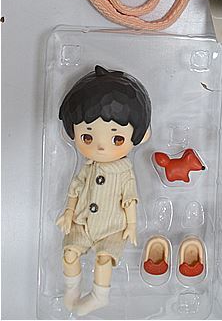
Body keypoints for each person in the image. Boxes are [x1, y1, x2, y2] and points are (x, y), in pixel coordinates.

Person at [56, 65, 151, 315]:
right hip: (82, 222)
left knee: (103, 259)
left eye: (116, 139)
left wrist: (131, 225)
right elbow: (75, 190)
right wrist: (68, 213)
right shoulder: (87, 168)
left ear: (141, 136)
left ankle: (100, 296)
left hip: (112, 227)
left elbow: (130, 199)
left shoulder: (124, 172)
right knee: (69, 253)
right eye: (87, 137)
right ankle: (71, 291)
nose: (100, 147)